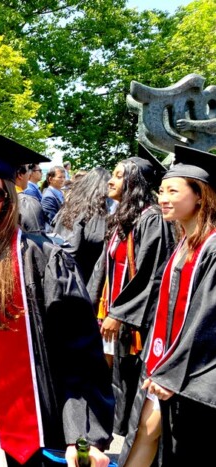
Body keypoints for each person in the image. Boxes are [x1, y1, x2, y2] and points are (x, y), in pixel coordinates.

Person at [0, 131, 114, 467]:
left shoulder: (43, 260)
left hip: (24, 435)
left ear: (7, 199)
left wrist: (81, 438)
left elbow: (81, 357)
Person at [120, 145, 216, 466]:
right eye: (161, 190)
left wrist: (170, 373)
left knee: (158, 437)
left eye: (173, 191)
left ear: (200, 196)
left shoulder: (212, 247)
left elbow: (206, 319)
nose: (163, 198)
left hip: (195, 373)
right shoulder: (184, 244)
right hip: (166, 363)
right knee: (146, 433)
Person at [88, 145, 176, 440]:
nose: (111, 181)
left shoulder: (151, 219)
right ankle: (116, 432)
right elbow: (105, 266)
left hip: (135, 322)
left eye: (118, 176)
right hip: (112, 315)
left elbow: (152, 274)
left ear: (134, 183)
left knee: (128, 377)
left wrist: (120, 313)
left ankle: (130, 439)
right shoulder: (123, 219)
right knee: (112, 377)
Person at [53, 167, 111, 284]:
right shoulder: (97, 214)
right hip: (83, 274)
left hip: (61, 271)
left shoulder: (69, 207)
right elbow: (96, 240)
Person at [16, 162, 48, 233]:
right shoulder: (26, 202)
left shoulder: (0, 197)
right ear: (20, 175)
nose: (29, 175)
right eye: (28, 171)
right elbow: (36, 238)